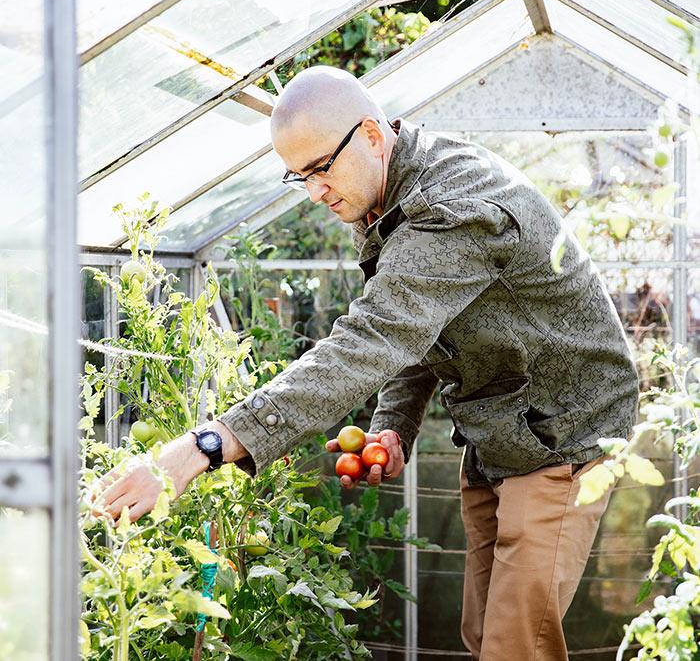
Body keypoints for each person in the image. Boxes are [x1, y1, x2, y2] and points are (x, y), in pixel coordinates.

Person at [97, 66, 639, 659]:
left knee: (517, 647)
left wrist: (205, 444)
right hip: (499, 431)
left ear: (372, 137)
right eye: (298, 176)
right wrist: (394, 425)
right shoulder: (386, 199)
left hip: (561, 432)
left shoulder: (454, 208)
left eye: (321, 168)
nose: (314, 192)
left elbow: (374, 335)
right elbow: (424, 321)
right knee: (485, 636)